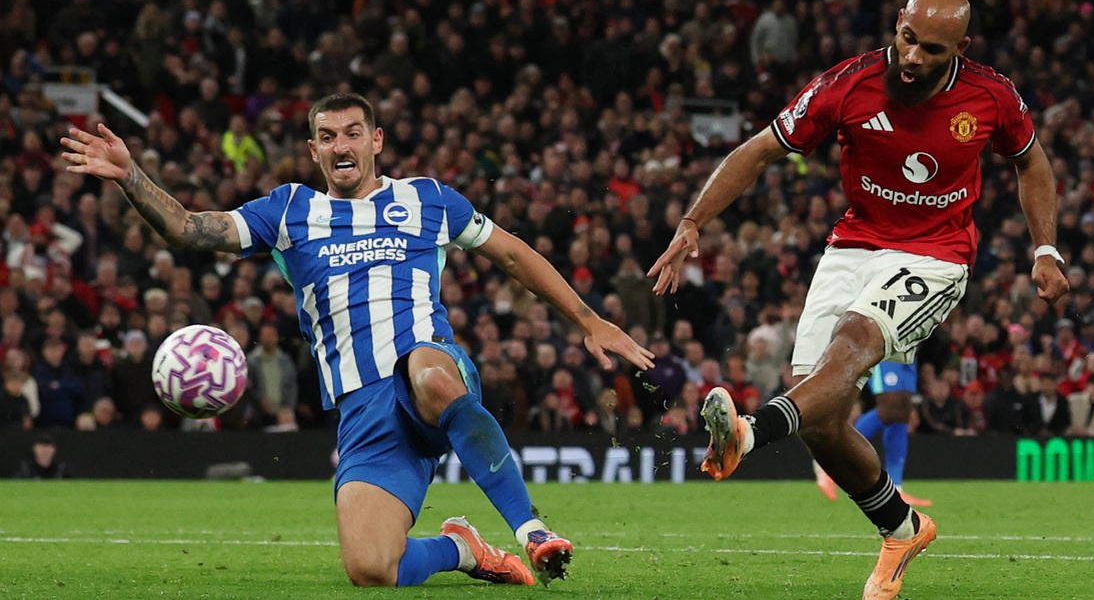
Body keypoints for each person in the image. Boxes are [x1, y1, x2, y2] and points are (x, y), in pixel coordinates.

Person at [62, 92, 654, 588]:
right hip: (363, 409)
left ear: (376, 140)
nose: (340, 145)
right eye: (327, 136)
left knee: (429, 372)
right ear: (313, 149)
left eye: (352, 133)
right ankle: (463, 549)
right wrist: (130, 175)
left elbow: (513, 255)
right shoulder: (290, 211)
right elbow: (191, 229)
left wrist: (588, 319)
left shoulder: (427, 198)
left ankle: (532, 529)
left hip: (429, 366)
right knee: (371, 568)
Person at [648, 0, 1068, 600]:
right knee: (820, 420)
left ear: (961, 48)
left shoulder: (991, 95)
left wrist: (1045, 249)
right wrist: (692, 222)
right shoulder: (847, 83)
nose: (914, 57)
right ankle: (902, 528)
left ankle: (748, 433)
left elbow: (1031, 162)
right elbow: (761, 150)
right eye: (908, 39)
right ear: (897, 23)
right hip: (852, 247)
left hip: (937, 255)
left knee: (854, 341)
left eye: (932, 49)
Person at [813, 361, 933, 507]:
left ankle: (896, 488)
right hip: (887, 352)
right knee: (889, 409)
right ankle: (829, 463)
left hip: (908, 350)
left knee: (903, 410)